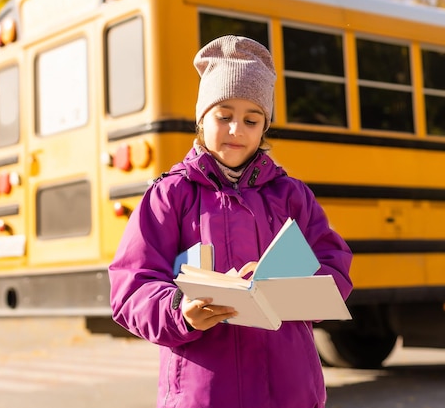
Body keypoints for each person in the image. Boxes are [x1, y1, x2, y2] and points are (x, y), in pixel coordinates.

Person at [108, 35, 353, 408]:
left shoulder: (292, 196)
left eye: (251, 119)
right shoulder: (169, 195)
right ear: (201, 120)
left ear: (263, 127)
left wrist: (294, 287)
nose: (237, 129)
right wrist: (179, 309)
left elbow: (334, 266)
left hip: (289, 393)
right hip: (204, 394)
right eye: (224, 116)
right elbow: (131, 287)